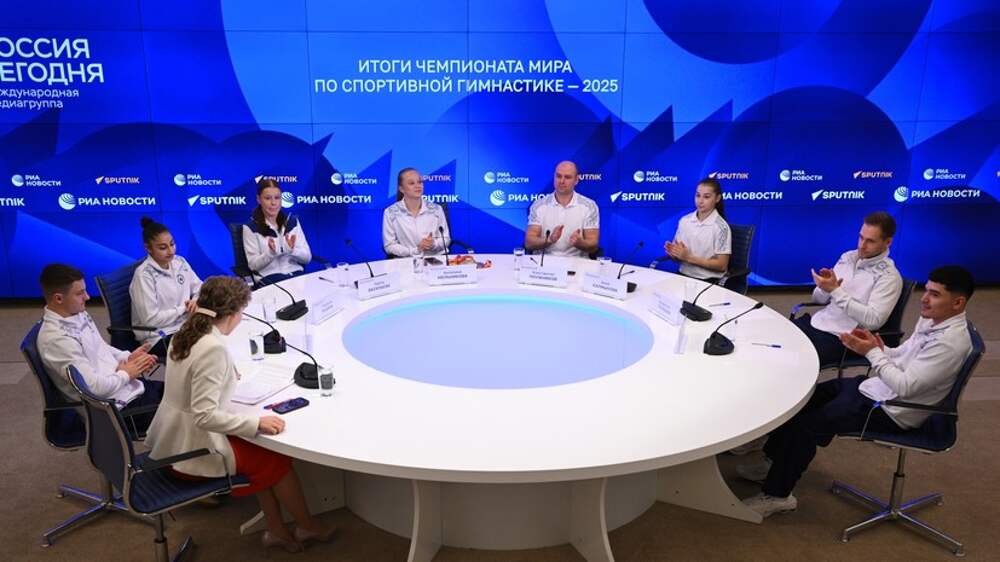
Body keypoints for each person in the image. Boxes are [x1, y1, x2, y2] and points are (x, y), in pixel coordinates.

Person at [738, 266, 976, 518]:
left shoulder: (949, 344)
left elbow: (905, 387)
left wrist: (871, 353)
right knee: (805, 399)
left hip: (893, 410)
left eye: (935, 295)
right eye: (926, 291)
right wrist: (880, 348)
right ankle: (773, 461)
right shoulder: (932, 319)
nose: (924, 299)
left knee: (808, 426)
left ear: (957, 303)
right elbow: (903, 354)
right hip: (877, 390)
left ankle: (777, 496)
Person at [145, 276, 333, 552]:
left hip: (170, 440)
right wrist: (256, 423)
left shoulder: (187, 332)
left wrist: (227, 376)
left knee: (262, 454)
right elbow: (204, 416)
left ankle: (278, 530)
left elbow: (193, 382)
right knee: (275, 458)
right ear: (233, 314)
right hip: (190, 451)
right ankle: (307, 526)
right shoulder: (213, 348)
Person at [36, 263, 161, 430]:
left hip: (127, 389)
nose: (87, 297)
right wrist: (126, 374)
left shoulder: (77, 314)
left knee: (184, 392)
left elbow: (100, 347)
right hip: (116, 410)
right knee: (184, 412)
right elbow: (94, 389)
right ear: (58, 298)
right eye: (79, 293)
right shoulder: (57, 341)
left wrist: (126, 357)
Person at [793, 211, 903, 367]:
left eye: (870, 241)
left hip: (842, 339)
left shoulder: (889, 277)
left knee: (793, 361)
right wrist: (824, 288)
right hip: (817, 322)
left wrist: (836, 291)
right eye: (861, 237)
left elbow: (874, 321)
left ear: (888, 242)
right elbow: (817, 299)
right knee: (773, 339)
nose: (862, 245)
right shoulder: (848, 257)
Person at [130, 217, 202, 359]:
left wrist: (195, 300)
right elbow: (151, 320)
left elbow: (200, 287)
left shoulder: (180, 262)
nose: (170, 251)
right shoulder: (144, 276)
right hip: (158, 337)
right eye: (163, 248)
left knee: (219, 331)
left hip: (184, 326)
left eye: (172, 244)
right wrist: (183, 309)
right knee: (204, 348)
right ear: (148, 248)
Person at [524, 160, 600, 258]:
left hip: (577, 263)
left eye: (567, 177)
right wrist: (550, 240)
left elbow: (593, 245)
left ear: (576, 180)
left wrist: (579, 243)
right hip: (544, 262)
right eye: (558, 176)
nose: (562, 181)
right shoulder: (539, 205)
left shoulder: (589, 206)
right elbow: (529, 243)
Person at [243, 178, 312, 285]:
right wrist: (271, 254)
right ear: (259, 199)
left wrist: (292, 250)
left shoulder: (292, 222)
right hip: (270, 279)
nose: (273, 203)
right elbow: (253, 266)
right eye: (267, 198)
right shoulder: (250, 228)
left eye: (277, 198)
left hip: (296, 276)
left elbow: (307, 258)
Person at [664, 177, 731, 282]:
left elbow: (722, 265)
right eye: (698, 195)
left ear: (717, 198)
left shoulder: (722, 227)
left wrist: (688, 258)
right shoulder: (684, 221)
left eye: (706, 197)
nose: (700, 201)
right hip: (683, 275)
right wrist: (674, 253)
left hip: (708, 279)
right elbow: (679, 257)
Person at [382, 167, 451, 258]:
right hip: (406, 261)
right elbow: (389, 245)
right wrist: (415, 250)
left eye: (420, 182)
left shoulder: (436, 209)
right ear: (401, 189)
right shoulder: (390, 212)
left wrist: (433, 244)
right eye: (411, 183)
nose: (418, 186)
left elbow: (446, 239)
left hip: (435, 259)